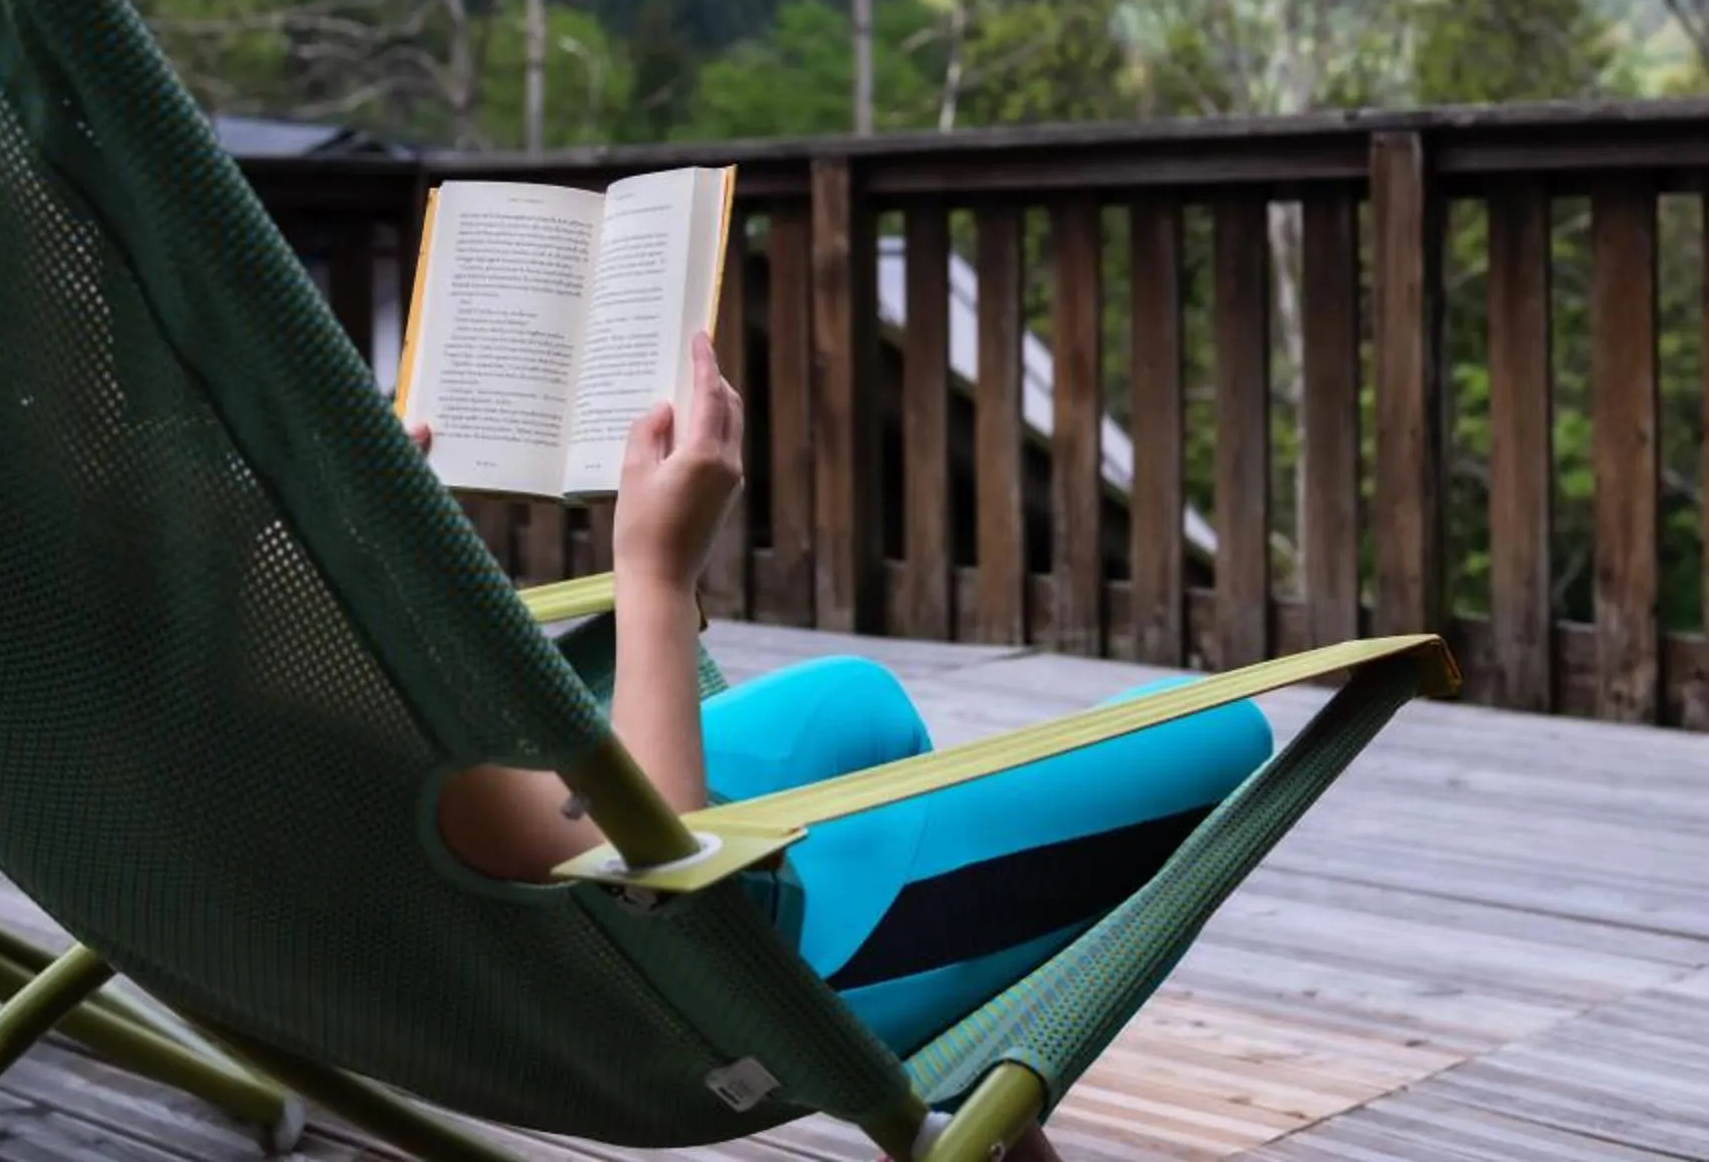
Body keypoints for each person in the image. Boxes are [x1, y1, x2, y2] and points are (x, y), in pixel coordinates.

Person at [421, 332, 1274, 1162]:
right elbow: (655, 890)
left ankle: (946, 1098)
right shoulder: (367, 695)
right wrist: (656, 570)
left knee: (858, 703)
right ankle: (913, 1043)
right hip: (693, 984)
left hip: (473, 921)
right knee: (1222, 730)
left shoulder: (303, 672)